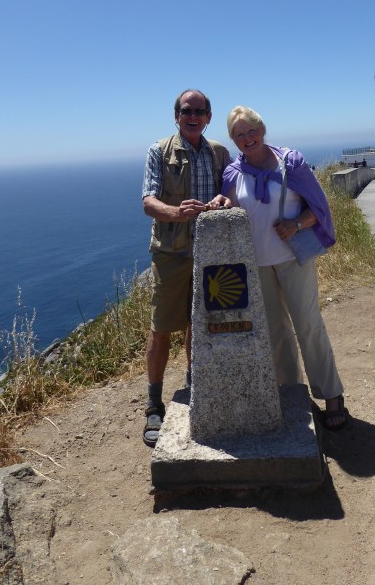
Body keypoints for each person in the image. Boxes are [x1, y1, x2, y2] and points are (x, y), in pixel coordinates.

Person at [222, 105, 346, 430]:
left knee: (308, 325)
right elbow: (227, 208)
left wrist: (296, 224)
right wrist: (218, 203)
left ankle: (331, 394)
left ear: (262, 130)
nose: (247, 138)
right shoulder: (233, 174)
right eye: (239, 134)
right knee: (275, 333)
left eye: (251, 131)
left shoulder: (291, 163)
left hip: (293, 259)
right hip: (257, 265)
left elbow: (319, 207)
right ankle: (294, 396)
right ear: (233, 140)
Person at [141, 89, 231, 446]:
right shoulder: (159, 152)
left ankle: (196, 384)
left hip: (210, 250)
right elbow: (148, 202)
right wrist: (177, 213)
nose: (193, 116)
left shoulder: (220, 153)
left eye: (200, 111)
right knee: (161, 327)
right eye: (186, 110)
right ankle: (153, 403)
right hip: (172, 251)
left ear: (208, 116)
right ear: (176, 116)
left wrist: (226, 198)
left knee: (199, 322)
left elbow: (233, 190)